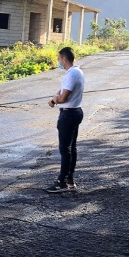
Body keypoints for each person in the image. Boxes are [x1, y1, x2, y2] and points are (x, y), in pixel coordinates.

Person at [47, 47, 85, 193]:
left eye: (59, 59)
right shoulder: (77, 71)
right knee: (71, 148)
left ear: (64, 59)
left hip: (68, 114)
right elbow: (62, 92)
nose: (58, 62)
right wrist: (55, 97)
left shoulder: (71, 74)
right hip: (75, 111)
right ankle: (69, 180)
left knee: (65, 149)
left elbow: (63, 97)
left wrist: (55, 100)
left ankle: (61, 181)